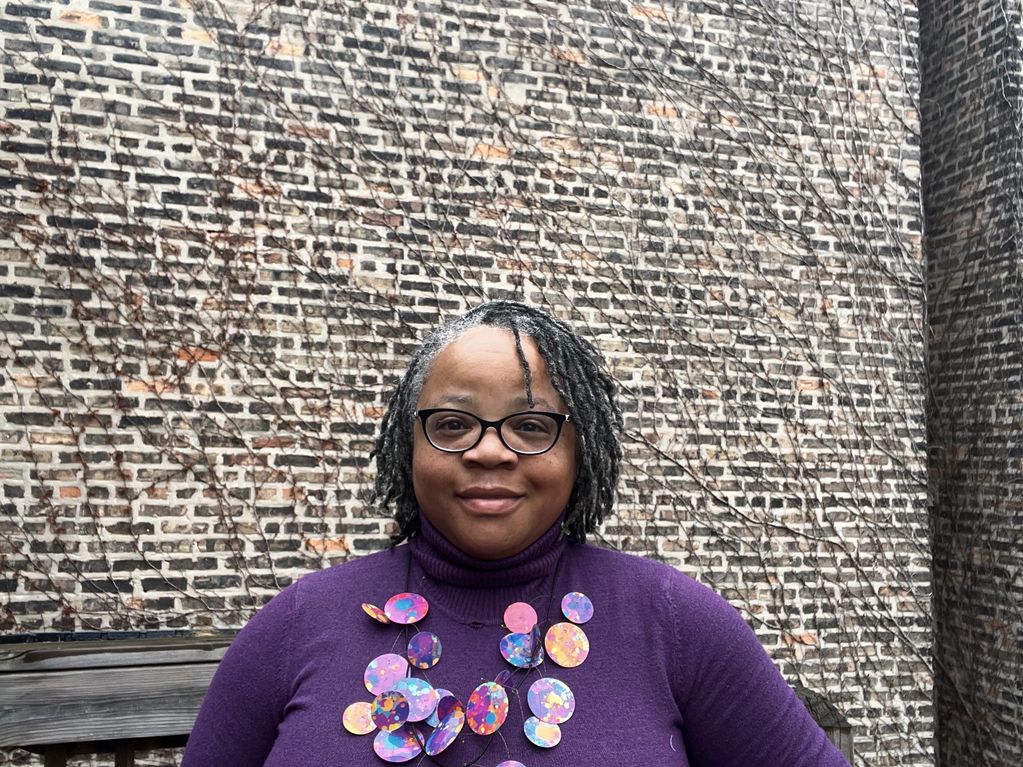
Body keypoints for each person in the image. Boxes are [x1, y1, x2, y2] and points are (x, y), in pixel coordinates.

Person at [182, 301, 851, 767]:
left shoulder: (675, 621)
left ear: (578, 453)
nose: (489, 452)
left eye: (531, 426)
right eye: (452, 424)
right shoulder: (295, 623)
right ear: (405, 446)